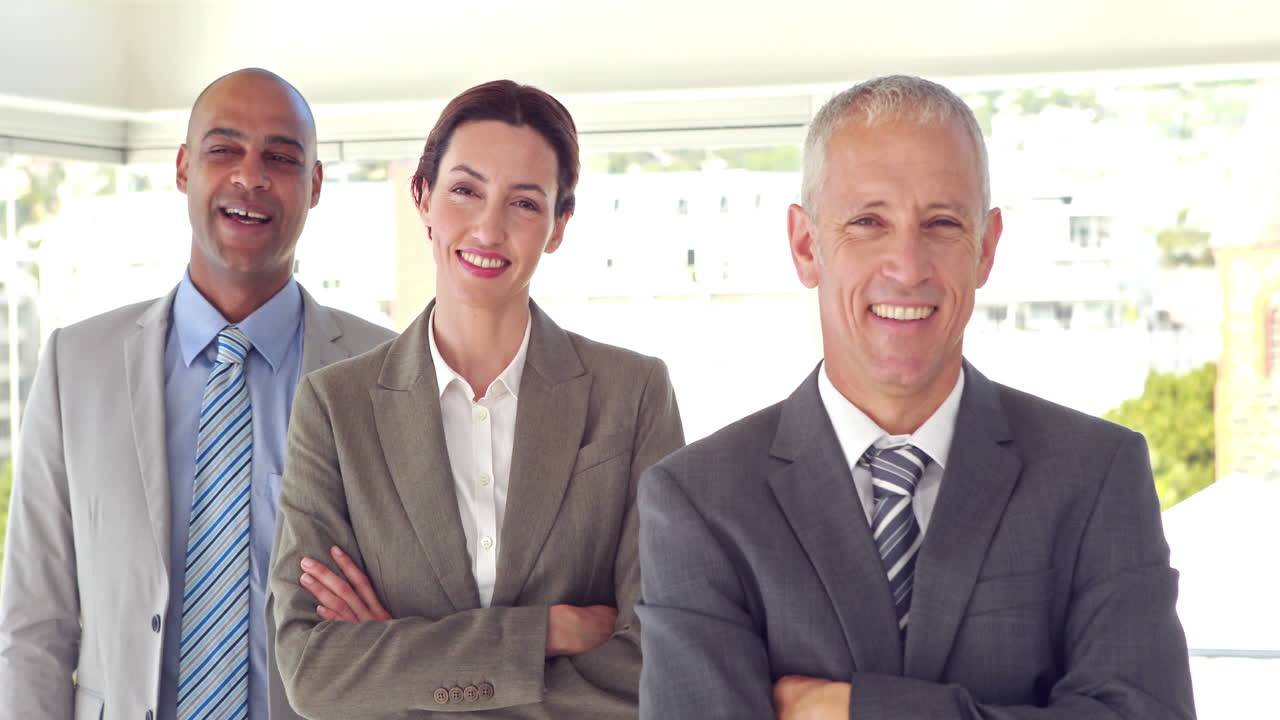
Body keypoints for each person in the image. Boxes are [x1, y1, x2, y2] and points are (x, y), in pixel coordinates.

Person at [636, 75, 1195, 720]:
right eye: (868, 221)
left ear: (985, 248)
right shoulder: (699, 499)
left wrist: (852, 710)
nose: (907, 263)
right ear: (804, 244)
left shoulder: (1097, 472)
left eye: (942, 223)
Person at [268, 79, 684, 719]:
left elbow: (657, 658)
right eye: (465, 190)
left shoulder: (633, 394)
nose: (488, 228)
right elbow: (313, 671)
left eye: (524, 202)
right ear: (423, 196)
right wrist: (544, 634)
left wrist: (406, 668)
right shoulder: (334, 407)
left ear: (558, 226)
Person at [0, 68, 396, 720]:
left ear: (316, 185)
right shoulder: (77, 365)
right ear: (184, 168)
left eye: (281, 157)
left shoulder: (386, 371)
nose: (251, 176)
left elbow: (423, 609)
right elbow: (34, 626)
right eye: (224, 150)